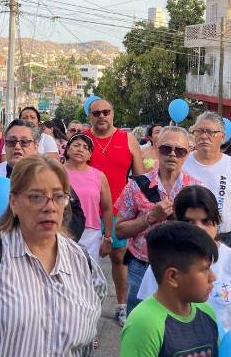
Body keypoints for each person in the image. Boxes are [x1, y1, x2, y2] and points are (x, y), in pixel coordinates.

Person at [0, 155, 106, 355]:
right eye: (36, 197)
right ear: (13, 202)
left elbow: (86, 342)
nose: (50, 207)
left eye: (58, 196)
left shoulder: (82, 261)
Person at [138, 186, 231, 332]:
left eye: (206, 222)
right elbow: (148, 313)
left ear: (217, 222)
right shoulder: (163, 262)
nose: (198, 229)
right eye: (189, 222)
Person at [0, 119, 86, 258]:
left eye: (24, 142)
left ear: (36, 146)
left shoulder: (52, 177)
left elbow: (75, 216)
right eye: (11, 142)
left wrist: (52, 246)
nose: (17, 147)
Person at [115, 126, 201, 315]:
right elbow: (120, 230)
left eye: (179, 150)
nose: (172, 155)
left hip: (182, 268)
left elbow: (204, 232)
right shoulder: (136, 185)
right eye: (166, 149)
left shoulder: (196, 188)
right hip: (142, 266)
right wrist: (149, 218)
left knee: (177, 326)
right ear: (156, 148)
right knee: (138, 323)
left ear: (187, 153)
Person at [85, 97, 145, 326]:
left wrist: (140, 210)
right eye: (96, 113)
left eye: (105, 112)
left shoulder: (127, 139)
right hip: (88, 211)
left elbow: (139, 178)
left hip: (119, 211)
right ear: (89, 116)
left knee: (120, 259)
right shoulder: (82, 139)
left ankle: (122, 306)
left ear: (112, 113)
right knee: (84, 261)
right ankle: (84, 307)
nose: (101, 116)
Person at [120, 221, 219, 357]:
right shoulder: (144, 324)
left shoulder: (208, 314)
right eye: (205, 269)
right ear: (173, 276)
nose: (213, 277)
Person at [182, 111, 231, 259]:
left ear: (222, 136)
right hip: (187, 236)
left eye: (210, 132)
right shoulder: (183, 162)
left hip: (224, 239)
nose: (203, 136)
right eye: (199, 131)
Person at [64, 133, 113, 260]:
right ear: (68, 149)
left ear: (90, 155)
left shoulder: (99, 176)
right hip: (63, 230)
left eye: (86, 147)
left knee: (89, 275)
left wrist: (108, 237)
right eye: (76, 145)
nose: (80, 149)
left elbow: (107, 208)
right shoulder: (57, 172)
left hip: (91, 234)